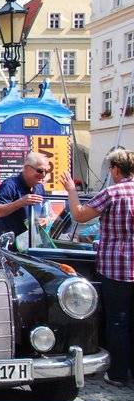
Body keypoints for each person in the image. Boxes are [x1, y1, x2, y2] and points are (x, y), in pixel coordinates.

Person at [60, 149, 134, 387]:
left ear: (115, 169)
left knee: (118, 321)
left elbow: (80, 215)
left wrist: (72, 191)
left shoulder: (112, 193)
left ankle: (118, 374)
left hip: (117, 265)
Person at [0, 152, 48, 239]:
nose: (43, 175)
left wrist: (46, 220)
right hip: (11, 247)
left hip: (32, 244)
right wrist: (20, 203)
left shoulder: (40, 187)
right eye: (40, 171)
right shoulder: (10, 185)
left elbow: (47, 212)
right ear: (26, 168)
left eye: (46, 171)